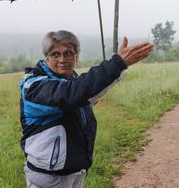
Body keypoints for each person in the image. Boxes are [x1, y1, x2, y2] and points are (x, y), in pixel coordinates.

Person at [20, 30, 153, 188]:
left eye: (69, 53)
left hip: (75, 173)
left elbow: (88, 93)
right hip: (48, 179)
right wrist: (116, 63)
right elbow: (70, 94)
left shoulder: (72, 80)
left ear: (77, 56)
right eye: (55, 54)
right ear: (46, 57)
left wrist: (117, 69)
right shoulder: (34, 86)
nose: (62, 59)